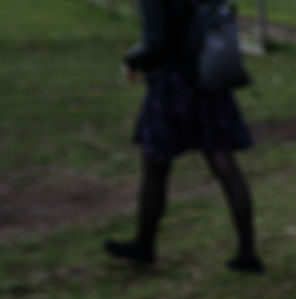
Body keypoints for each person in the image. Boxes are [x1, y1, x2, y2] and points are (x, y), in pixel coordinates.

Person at [106, 0, 263, 272]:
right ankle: (247, 252)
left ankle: (144, 245)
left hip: (173, 86)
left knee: (155, 165)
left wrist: (132, 60)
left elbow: (157, 43)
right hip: (208, 82)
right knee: (225, 164)